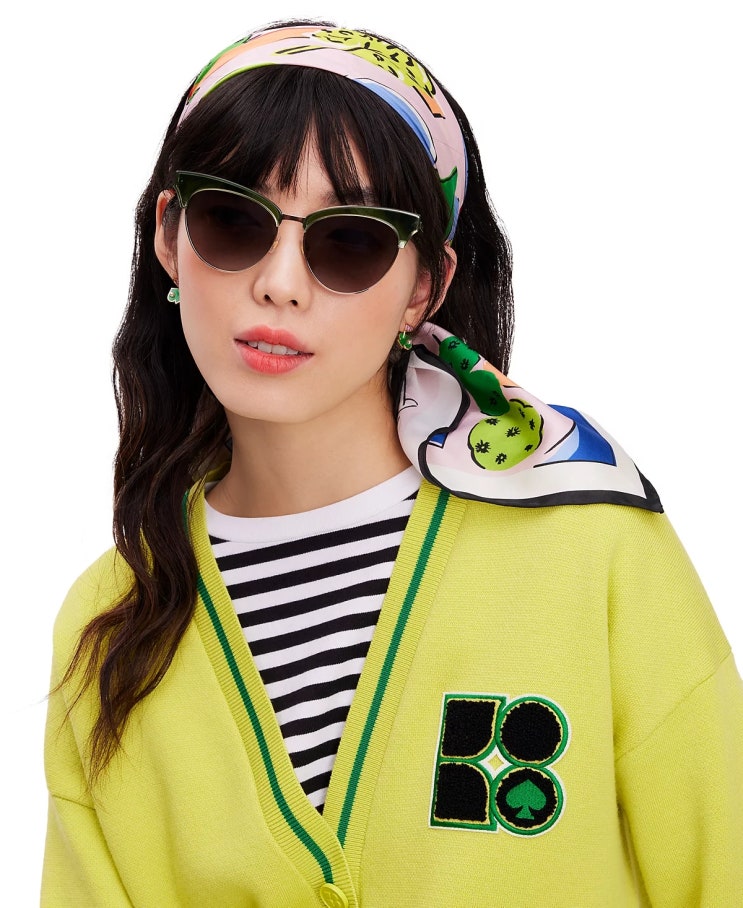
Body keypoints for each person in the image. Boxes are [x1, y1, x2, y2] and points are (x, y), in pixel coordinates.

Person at [42, 21, 743, 907]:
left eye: (350, 241)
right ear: (170, 235)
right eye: (232, 221)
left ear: (423, 287)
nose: (280, 282)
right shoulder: (112, 616)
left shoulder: (591, 543)